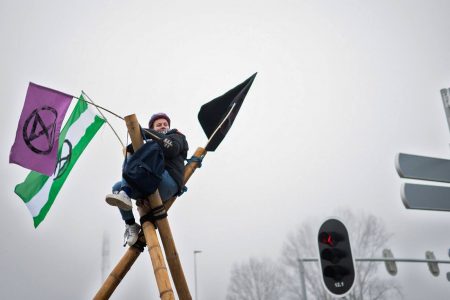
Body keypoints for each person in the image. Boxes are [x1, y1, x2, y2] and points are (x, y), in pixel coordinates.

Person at [105, 112, 189, 246]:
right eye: (159, 125)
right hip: (150, 183)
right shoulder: (149, 144)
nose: (163, 126)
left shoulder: (177, 136)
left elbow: (171, 149)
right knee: (117, 186)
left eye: (165, 124)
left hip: (168, 181)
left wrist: (144, 132)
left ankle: (126, 191)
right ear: (154, 127)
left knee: (146, 151)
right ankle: (130, 223)